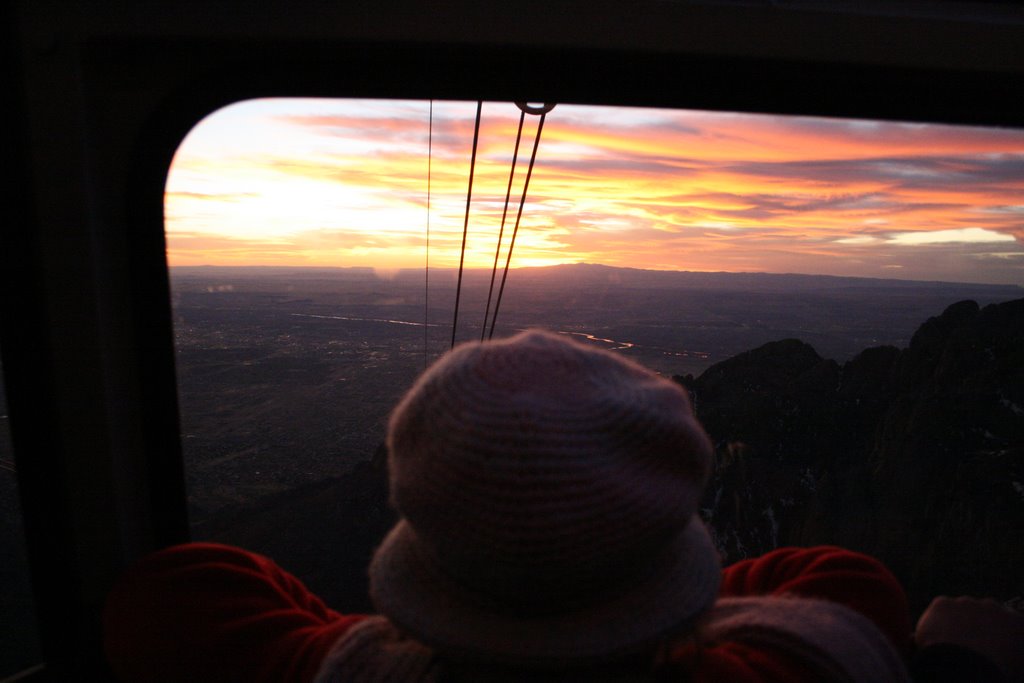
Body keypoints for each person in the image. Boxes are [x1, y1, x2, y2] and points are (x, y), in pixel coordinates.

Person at [104, 329, 914, 682]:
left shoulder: (327, 668)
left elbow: (169, 592)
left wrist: (388, 638)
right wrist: (623, 584)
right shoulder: (776, 667)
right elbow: (843, 585)